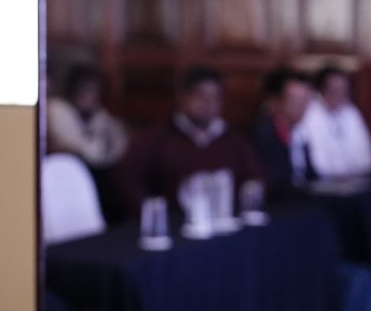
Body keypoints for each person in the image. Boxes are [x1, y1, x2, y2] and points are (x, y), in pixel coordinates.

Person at [120, 65, 262, 212]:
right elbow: (128, 178)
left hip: (224, 220)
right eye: (201, 96)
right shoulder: (156, 138)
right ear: (183, 97)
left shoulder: (234, 141)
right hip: (174, 221)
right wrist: (151, 213)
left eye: (215, 98)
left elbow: (254, 181)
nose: (208, 104)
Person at [47, 63, 130, 222]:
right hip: (65, 180)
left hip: (99, 178)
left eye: (95, 91)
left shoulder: (99, 116)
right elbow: (82, 148)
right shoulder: (57, 110)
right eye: (85, 89)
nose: (90, 95)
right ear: (73, 89)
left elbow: (118, 148)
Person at [297, 65, 371, 178]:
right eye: (335, 90)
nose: (340, 95)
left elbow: (367, 157)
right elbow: (318, 164)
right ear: (322, 89)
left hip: (356, 179)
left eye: (344, 90)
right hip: (323, 181)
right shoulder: (309, 113)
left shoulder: (351, 112)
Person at [250, 66, 315, 199]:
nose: (302, 107)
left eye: (305, 100)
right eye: (295, 101)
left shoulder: (300, 130)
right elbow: (273, 182)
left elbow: (309, 175)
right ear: (275, 101)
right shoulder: (264, 134)